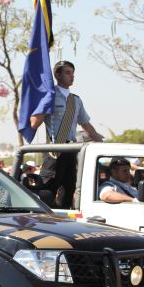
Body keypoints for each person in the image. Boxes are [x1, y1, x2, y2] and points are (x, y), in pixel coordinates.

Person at [29, 61, 103, 208]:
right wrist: (44, 105)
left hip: (71, 149)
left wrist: (102, 144)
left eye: (73, 73)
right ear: (57, 75)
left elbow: (86, 125)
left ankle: (63, 220)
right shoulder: (49, 96)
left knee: (69, 189)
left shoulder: (76, 100)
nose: (72, 76)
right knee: (47, 189)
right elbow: (34, 123)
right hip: (54, 150)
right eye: (68, 73)